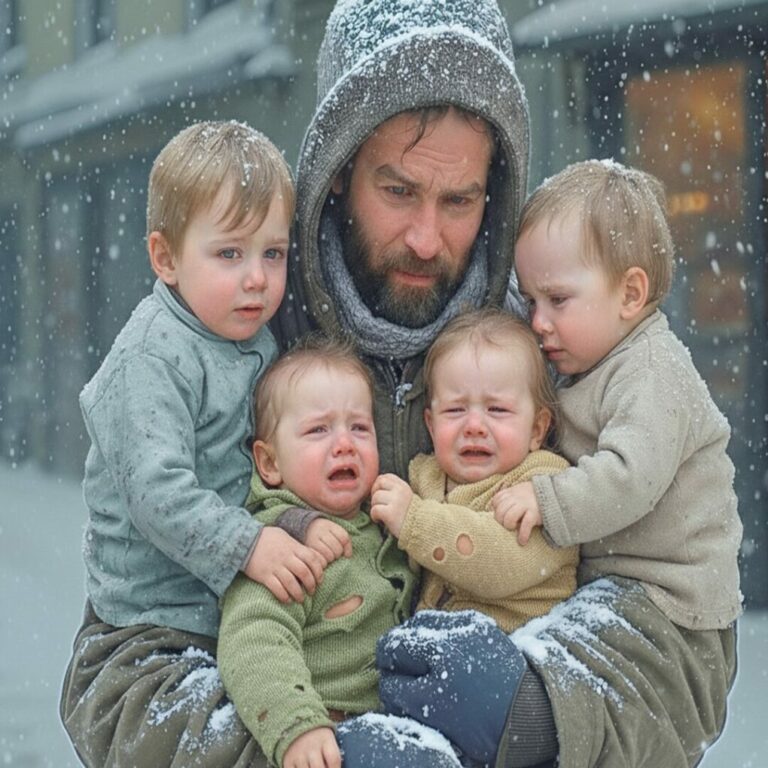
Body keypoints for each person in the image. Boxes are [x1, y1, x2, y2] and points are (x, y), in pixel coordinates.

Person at [371, 162, 742, 768]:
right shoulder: (587, 360)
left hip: (673, 605)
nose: (537, 321)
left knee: (572, 687)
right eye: (531, 298)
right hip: (612, 589)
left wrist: (549, 501)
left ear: (630, 293)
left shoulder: (652, 373)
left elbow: (630, 476)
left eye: (557, 300)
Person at [59, 121, 329, 767]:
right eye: (230, 254)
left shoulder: (252, 341)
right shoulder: (154, 356)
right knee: (225, 750)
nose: (258, 279)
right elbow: (158, 492)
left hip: (223, 620)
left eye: (273, 253)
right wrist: (250, 543)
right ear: (166, 257)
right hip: (145, 633)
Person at [217, 336, 417, 768]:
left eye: (359, 428)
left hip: (397, 730)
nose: (344, 444)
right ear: (269, 464)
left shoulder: (382, 524)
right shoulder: (278, 548)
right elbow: (254, 640)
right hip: (324, 739)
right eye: (318, 430)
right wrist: (297, 726)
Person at [371, 308, 578, 633]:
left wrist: (412, 520)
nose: (475, 426)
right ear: (431, 423)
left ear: (537, 429)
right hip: (439, 642)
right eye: (455, 410)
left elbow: (500, 565)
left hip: (518, 645)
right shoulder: (424, 478)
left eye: (497, 410)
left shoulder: (544, 485)